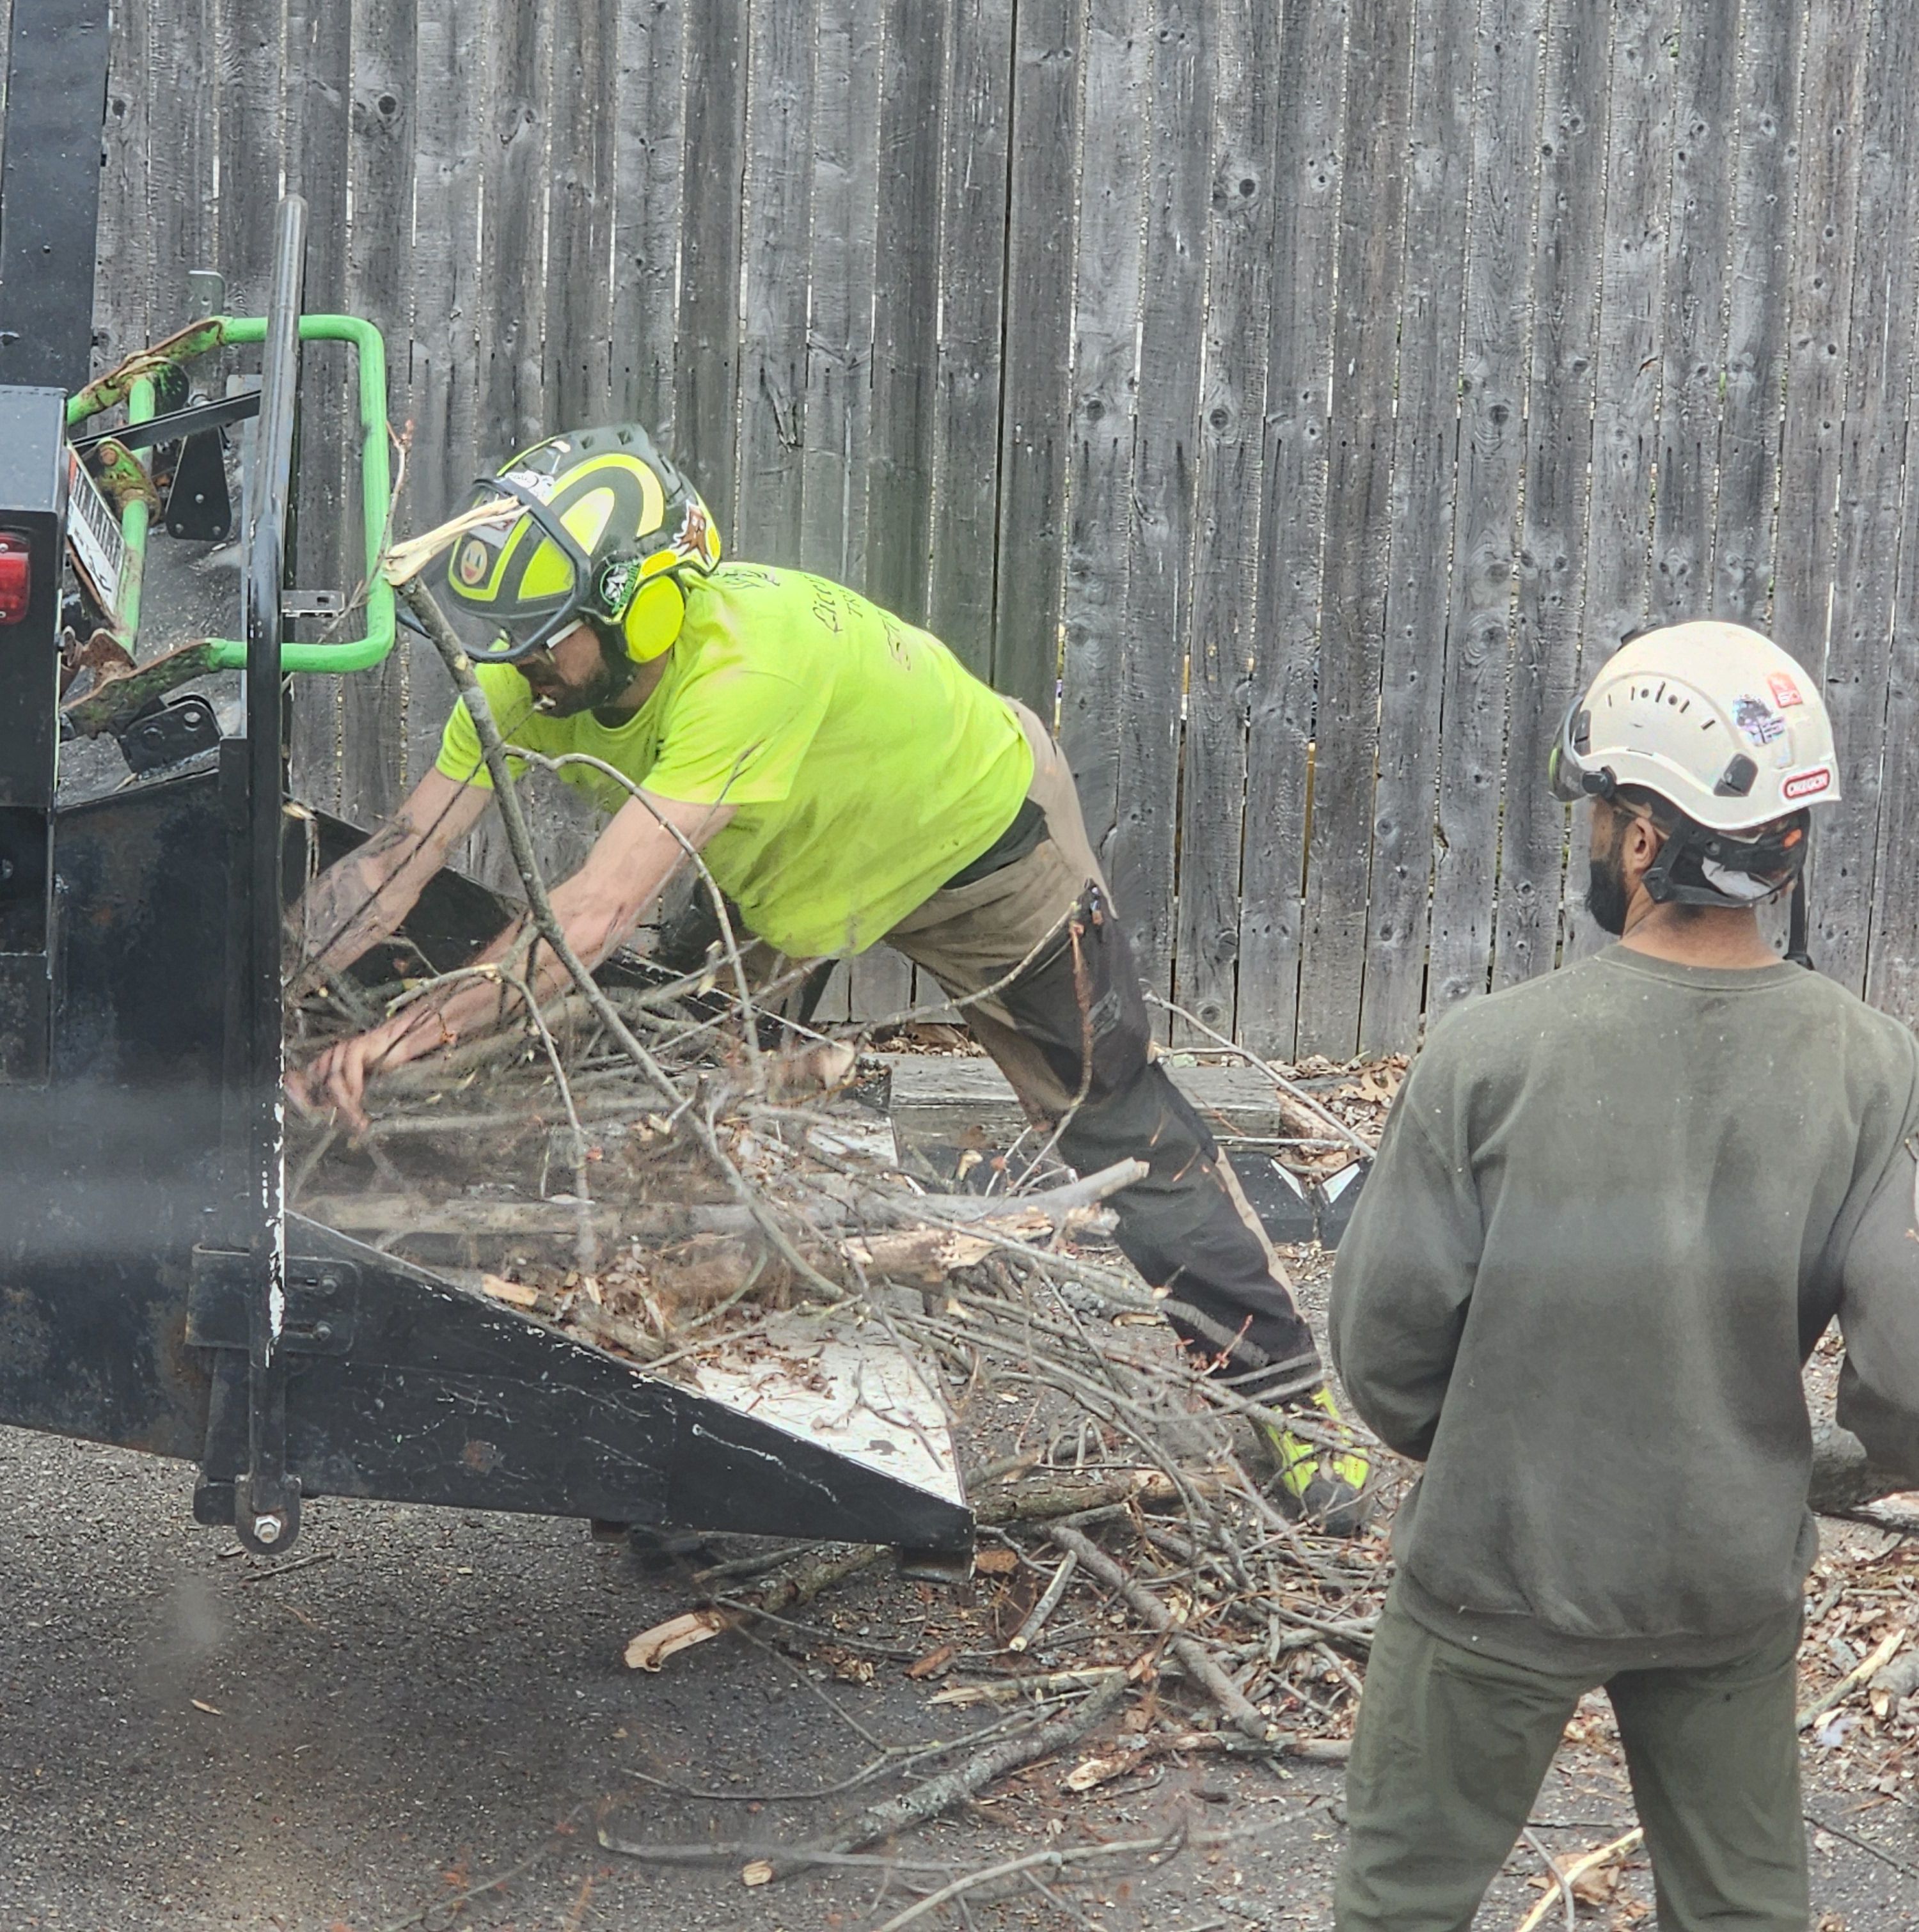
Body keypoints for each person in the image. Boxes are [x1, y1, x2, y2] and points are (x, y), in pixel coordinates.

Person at [288, 421, 1370, 1530]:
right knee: (688, 1126)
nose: (517, 665)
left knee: (1119, 1127)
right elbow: (396, 857)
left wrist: (408, 1036)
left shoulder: (744, 671)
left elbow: (594, 915)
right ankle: (711, 1461)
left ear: (640, 613)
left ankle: (1296, 1415)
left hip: (974, 844)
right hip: (788, 880)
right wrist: (278, 991)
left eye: (542, 640)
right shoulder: (538, 677)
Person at [1327, 618, 1919, 1931]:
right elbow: (1912, 1373)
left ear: (1645, 837)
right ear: (1789, 842)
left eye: (1599, 808)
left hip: (1497, 1564)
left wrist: (1492, 1443)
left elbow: (1380, 1352)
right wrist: (1830, 1464)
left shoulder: (1487, 1052)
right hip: (1725, 1575)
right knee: (1743, 1910)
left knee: (1401, 1898)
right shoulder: (1874, 1067)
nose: (1592, 834)